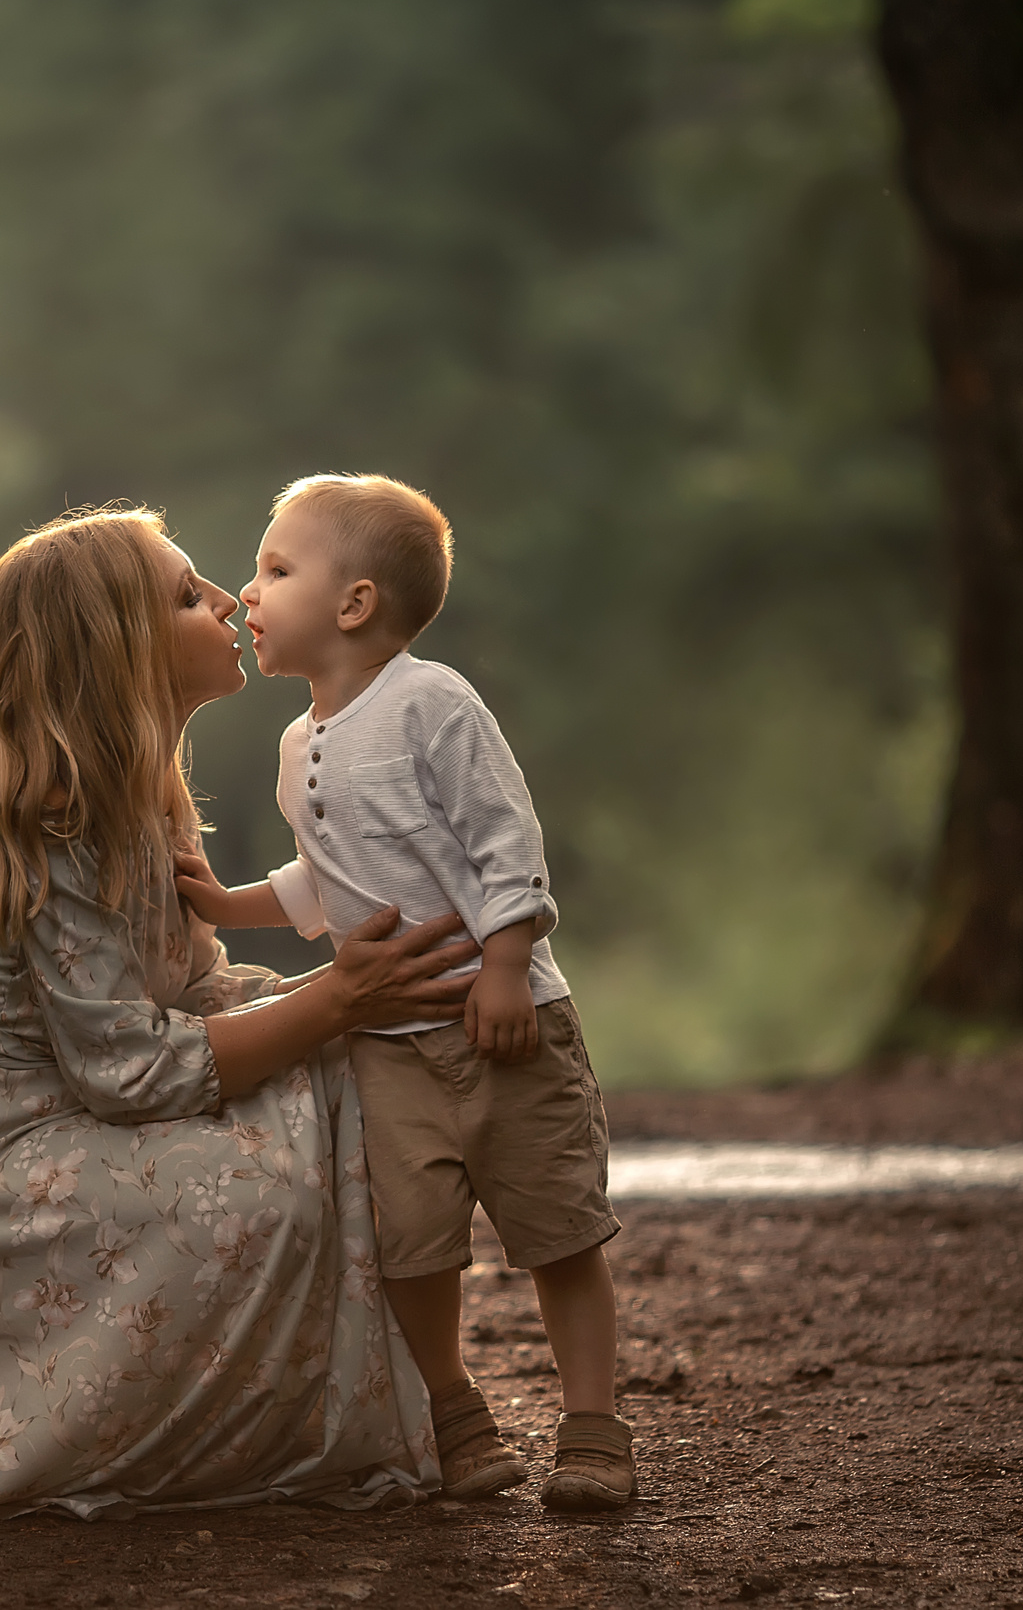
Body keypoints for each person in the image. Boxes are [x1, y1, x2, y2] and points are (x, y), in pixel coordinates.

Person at [0, 507, 477, 1520]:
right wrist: (335, 999)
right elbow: (122, 1071)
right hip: (7, 1164)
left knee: (353, 1089)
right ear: (110, 655)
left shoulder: (144, 792)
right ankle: (205, 1431)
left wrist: (338, 1007)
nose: (227, 600)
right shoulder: (58, 819)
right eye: (185, 594)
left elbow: (190, 988)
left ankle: (422, 1397)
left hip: (95, 1107)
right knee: (263, 1185)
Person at [173, 473, 632, 1512]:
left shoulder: (433, 702)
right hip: (390, 1046)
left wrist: (509, 965)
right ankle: (455, 1411)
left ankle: (594, 1428)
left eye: (274, 569)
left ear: (353, 604)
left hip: (503, 1025)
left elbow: (501, 836)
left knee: (559, 1229)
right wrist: (227, 900)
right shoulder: (299, 746)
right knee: (411, 1242)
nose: (246, 591)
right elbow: (324, 877)